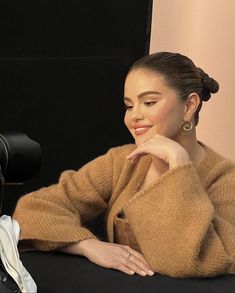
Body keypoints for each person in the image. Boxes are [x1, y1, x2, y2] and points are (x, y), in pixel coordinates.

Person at [13, 52, 235, 278]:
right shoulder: (123, 162)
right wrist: (87, 245)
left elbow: (189, 261)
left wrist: (178, 166)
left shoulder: (226, 180)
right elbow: (33, 209)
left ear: (189, 105)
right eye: (129, 105)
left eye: (149, 102)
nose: (134, 116)